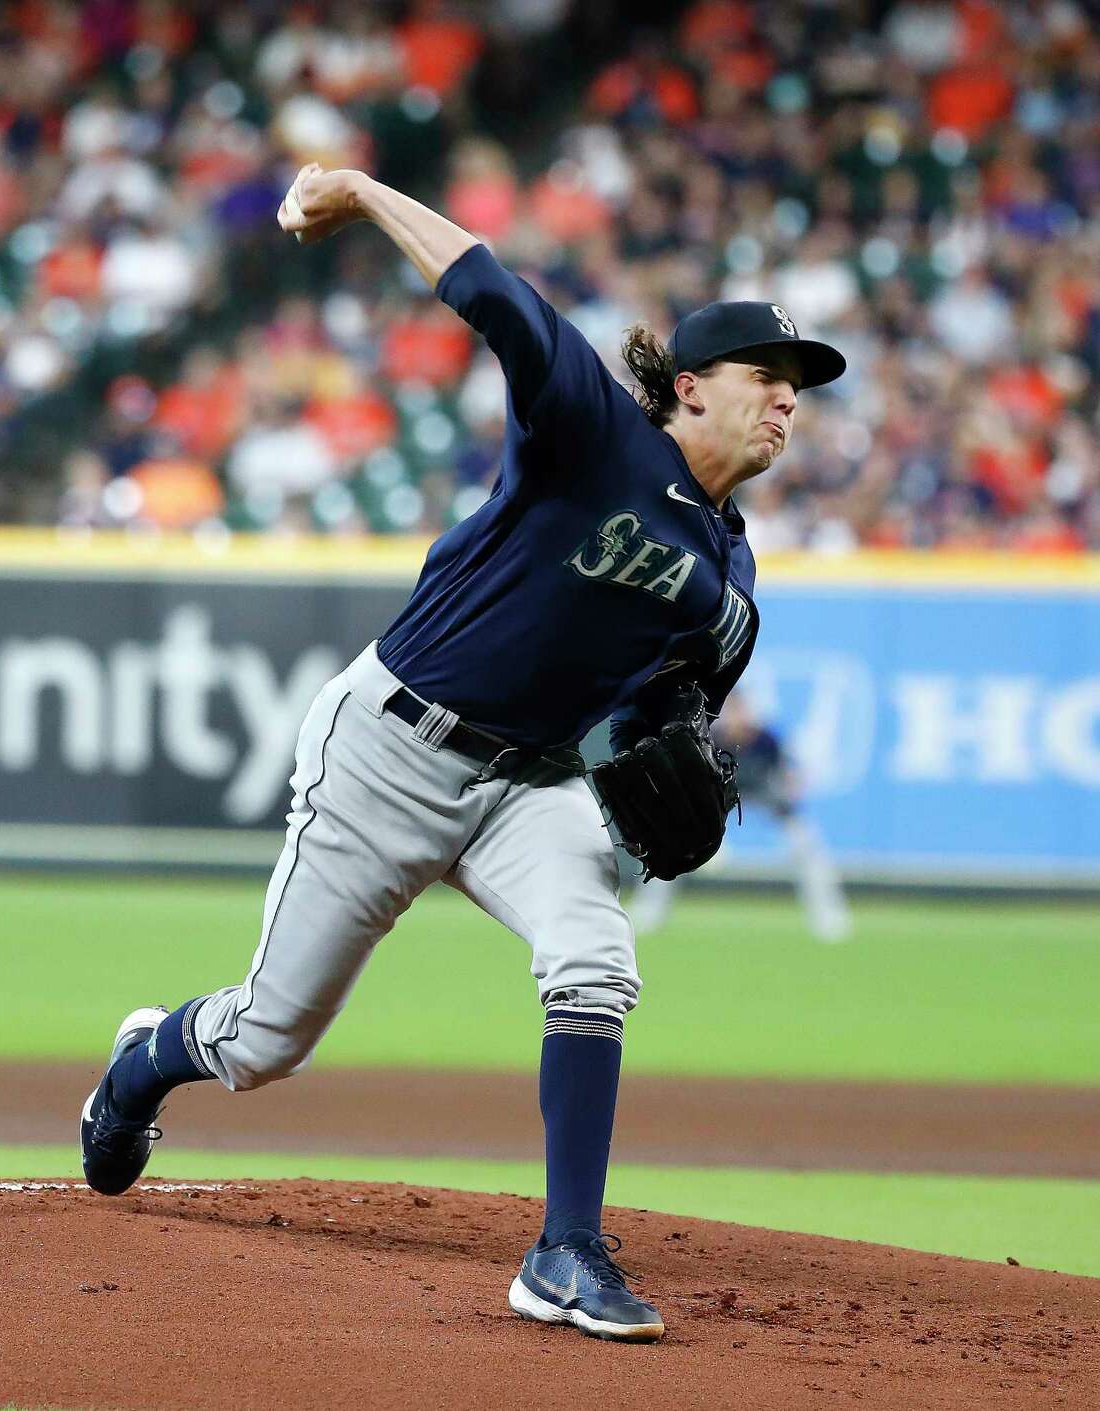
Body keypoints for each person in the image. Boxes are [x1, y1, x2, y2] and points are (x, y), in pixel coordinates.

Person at [79, 162, 846, 1344]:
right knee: (267, 1040)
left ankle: (565, 1252)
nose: (789, 403)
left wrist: (661, 763)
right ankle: (140, 1066)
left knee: (596, 961)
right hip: (390, 748)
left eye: (800, 388)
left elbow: (658, 722)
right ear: (689, 389)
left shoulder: (732, 589)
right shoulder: (597, 431)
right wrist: (360, 188)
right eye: (768, 378)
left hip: (526, 784)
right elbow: (489, 287)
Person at [630, 690, 852, 942]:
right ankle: (648, 912)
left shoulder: (766, 740)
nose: (737, 717)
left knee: (807, 846)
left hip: (767, 798)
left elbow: (792, 776)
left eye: (741, 710)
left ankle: (829, 917)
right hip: (722, 799)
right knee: (674, 844)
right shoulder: (714, 739)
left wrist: (790, 784)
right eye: (732, 711)